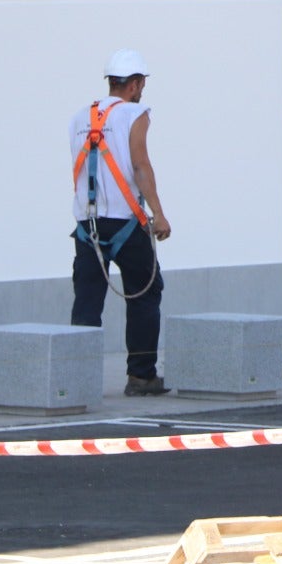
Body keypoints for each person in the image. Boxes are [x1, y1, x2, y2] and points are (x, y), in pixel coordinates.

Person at [69, 48, 173, 397]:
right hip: (127, 225)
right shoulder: (135, 112)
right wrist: (158, 213)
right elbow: (141, 166)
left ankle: (77, 380)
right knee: (145, 294)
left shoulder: (80, 116)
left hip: (88, 226)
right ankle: (141, 377)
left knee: (87, 302)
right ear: (137, 83)